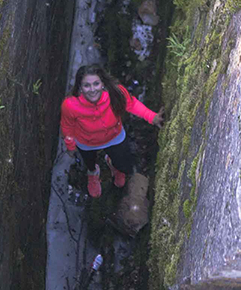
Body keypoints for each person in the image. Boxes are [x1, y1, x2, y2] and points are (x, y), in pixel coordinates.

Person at [60, 64, 164, 198]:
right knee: (89, 162)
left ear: (103, 83)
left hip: (114, 137)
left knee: (123, 163)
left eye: (96, 84)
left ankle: (113, 163)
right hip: (86, 142)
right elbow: (67, 127)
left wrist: (152, 117)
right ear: (80, 87)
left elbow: (132, 104)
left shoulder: (115, 93)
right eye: (87, 85)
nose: (92, 90)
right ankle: (93, 172)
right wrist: (70, 145)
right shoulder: (70, 105)